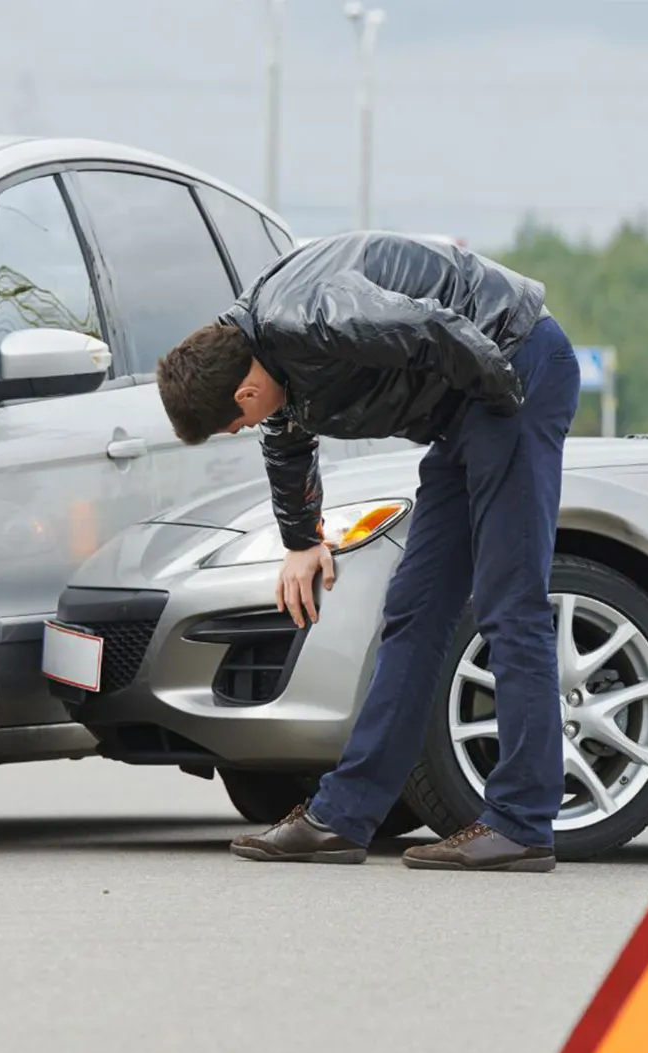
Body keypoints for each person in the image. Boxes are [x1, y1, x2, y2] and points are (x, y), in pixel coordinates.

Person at [155, 232, 580, 872]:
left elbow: (435, 327)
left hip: (513, 374)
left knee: (508, 601)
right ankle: (343, 818)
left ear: (243, 393)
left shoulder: (316, 316)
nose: (245, 429)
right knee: (413, 608)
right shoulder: (260, 347)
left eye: (232, 425)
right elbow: (288, 435)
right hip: (469, 410)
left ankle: (522, 822)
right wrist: (300, 540)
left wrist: (505, 412)